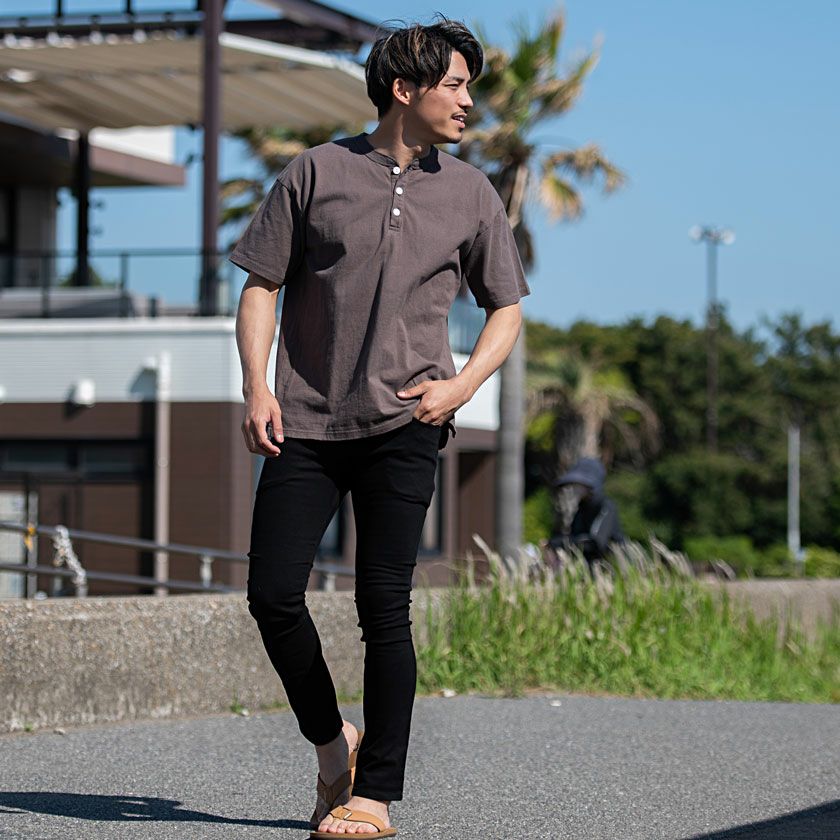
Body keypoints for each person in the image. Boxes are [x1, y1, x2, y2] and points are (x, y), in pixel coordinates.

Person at [230, 16, 530, 839]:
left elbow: (506, 308)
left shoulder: (470, 192)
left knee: (384, 605)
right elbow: (260, 285)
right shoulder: (316, 172)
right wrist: (257, 386)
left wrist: (461, 385)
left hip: (406, 422)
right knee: (272, 595)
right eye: (455, 85)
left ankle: (375, 796)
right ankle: (334, 745)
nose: (468, 102)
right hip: (306, 419)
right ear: (405, 89)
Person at [548, 457, 625, 566]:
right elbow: (575, 535)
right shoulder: (581, 508)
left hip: (612, 568)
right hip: (587, 568)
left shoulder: (606, 506)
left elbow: (596, 543)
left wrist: (560, 543)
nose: (574, 487)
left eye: (579, 484)